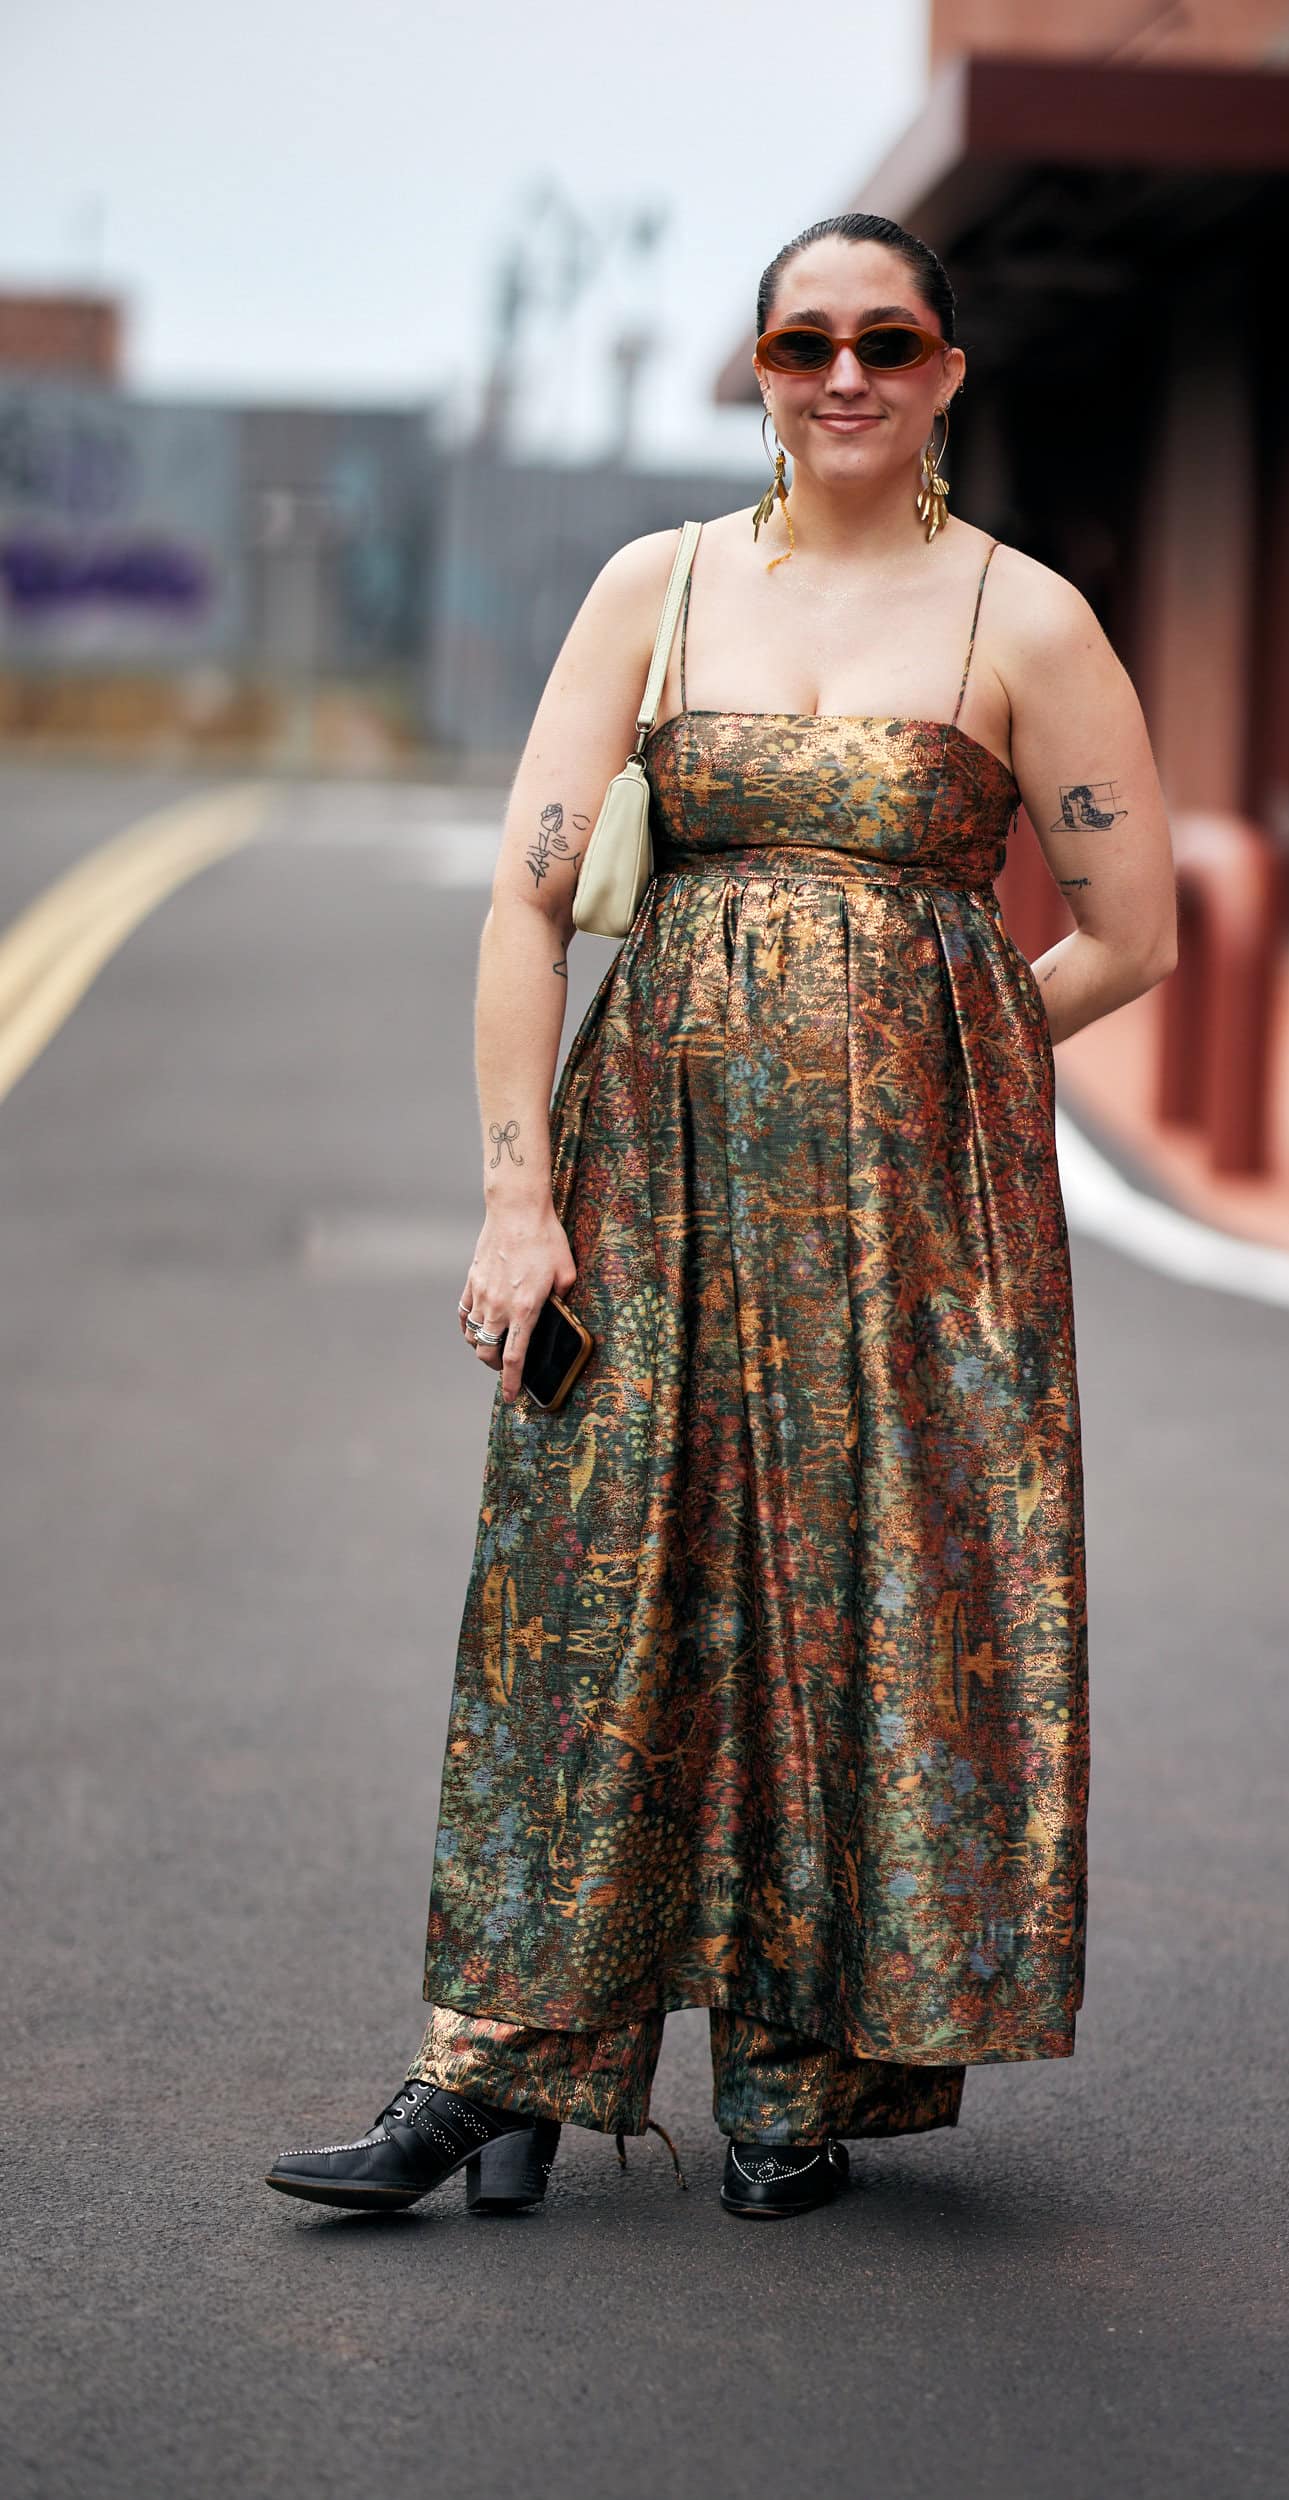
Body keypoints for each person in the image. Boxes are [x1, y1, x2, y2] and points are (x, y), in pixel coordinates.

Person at [265, 212, 1176, 2224]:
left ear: (944, 372)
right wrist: (518, 1202)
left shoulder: (1025, 618)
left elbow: (1134, 930)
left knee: (866, 1608)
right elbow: (528, 905)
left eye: (887, 340)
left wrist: (939, 1062)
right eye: (803, 341)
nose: (844, 373)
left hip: (908, 1228)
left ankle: (797, 2080)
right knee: (587, 1594)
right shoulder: (655, 588)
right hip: (646, 1186)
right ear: (760, 369)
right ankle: (494, 2065)